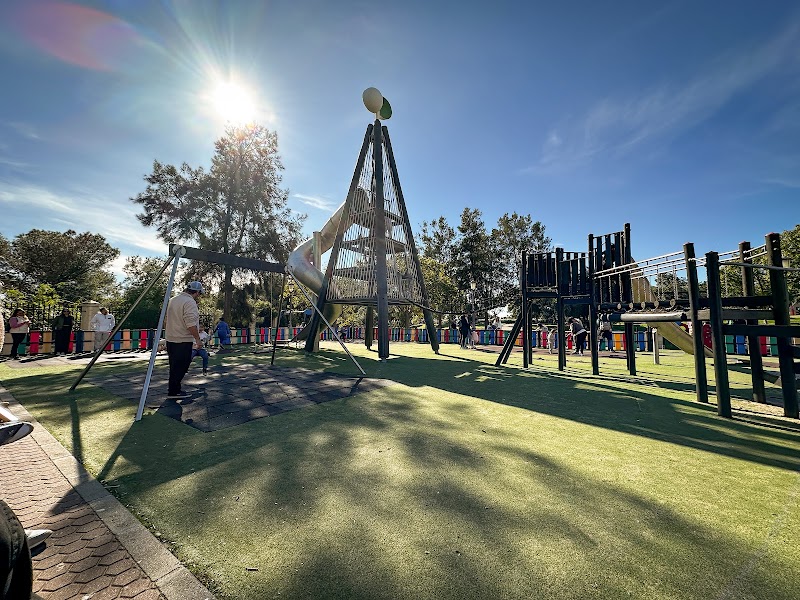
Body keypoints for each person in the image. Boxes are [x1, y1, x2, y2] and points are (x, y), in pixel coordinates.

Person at [165, 282, 204, 399]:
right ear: (196, 292)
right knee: (183, 364)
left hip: (171, 337)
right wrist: (198, 339)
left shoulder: (173, 300)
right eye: (199, 294)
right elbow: (191, 324)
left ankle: (174, 389)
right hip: (182, 338)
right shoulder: (190, 302)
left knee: (174, 365)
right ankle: (174, 391)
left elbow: (166, 320)